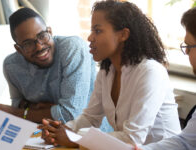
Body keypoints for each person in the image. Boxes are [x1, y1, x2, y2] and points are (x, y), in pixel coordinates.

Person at [38, 0, 181, 148]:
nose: (90, 37)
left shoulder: (150, 72)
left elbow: (132, 138)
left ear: (123, 35)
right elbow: (90, 118)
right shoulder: (107, 73)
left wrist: (76, 139)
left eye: (98, 31)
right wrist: (61, 131)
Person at [0, 7, 99, 125]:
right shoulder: (11, 65)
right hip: (42, 134)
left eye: (42, 36)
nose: (39, 47)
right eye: (28, 43)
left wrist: (17, 113)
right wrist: (53, 110)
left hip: (88, 135)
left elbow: (70, 115)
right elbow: (17, 102)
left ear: (50, 32)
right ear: (18, 49)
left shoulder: (72, 48)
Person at [140, 7, 196, 150]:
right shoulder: (107, 71)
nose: (187, 53)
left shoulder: (150, 72)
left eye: (189, 47)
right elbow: (186, 142)